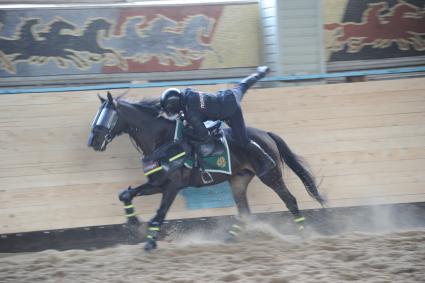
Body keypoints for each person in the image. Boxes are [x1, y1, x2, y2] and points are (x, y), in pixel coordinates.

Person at [160, 66, 276, 177]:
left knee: (242, 141)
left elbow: (203, 134)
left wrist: (189, 131)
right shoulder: (188, 93)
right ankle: (261, 72)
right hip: (228, 95)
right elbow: (199, 109)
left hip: (230, 111)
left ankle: (267, 160)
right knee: (243, 84)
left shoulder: (191, 115)